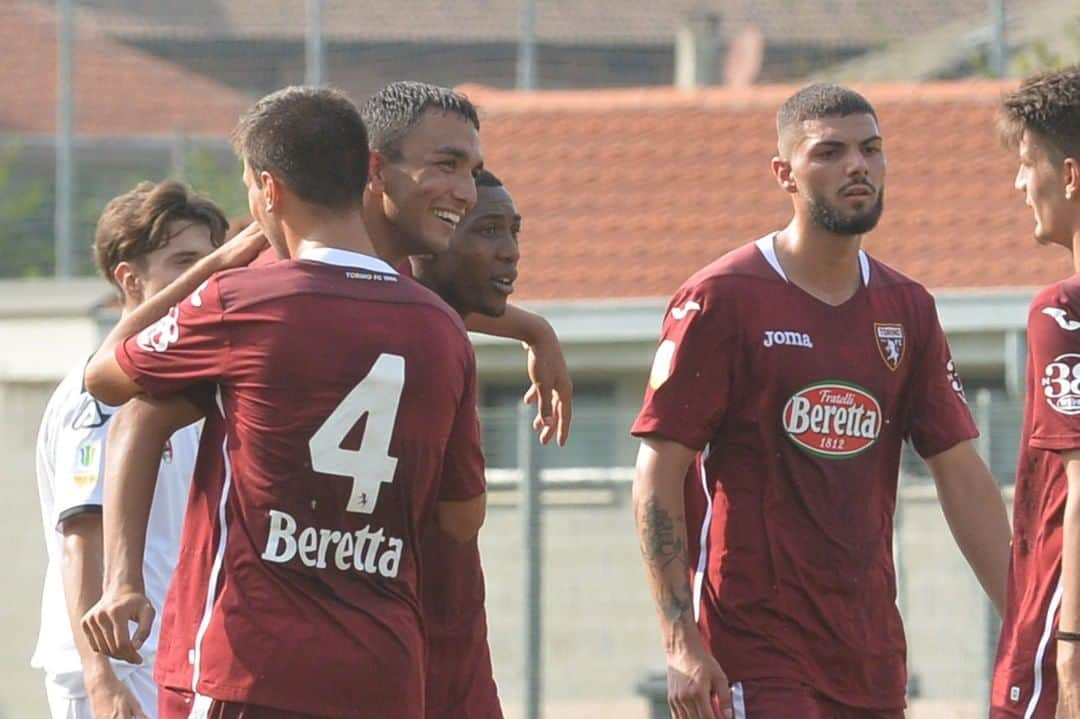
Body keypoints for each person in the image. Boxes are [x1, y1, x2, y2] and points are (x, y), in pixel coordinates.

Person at [80, 86, 487, 719]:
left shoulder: (246, 302)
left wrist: (220, 259)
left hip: (255, 664)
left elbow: (106, 375)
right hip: (386, 672)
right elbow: (461, 518)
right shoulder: (441, 329)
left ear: (269, 190)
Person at [630, 83, 1012, 719]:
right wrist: (680, 642)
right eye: (829, 152)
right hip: (756, 651)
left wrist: (1027, 622)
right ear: (784, 173)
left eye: (871, 149)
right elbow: (658, 470)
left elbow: (962, 473)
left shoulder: (906, 308)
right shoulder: (723, 299)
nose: (857, 166)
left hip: (870, 654)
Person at [31, 180, 225, 719]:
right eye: (183, 262)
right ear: (129, 278)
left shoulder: (191, 392)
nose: (202, 279)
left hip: (178, 659)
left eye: (212, 263)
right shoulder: (97, 397)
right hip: (118, 673)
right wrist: (101, 681)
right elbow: (79, 541)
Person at [360, 80, 572, 447]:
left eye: (472, 174)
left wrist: (535, 330)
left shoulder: (411, 299)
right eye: (446, 165)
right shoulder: (286, 289)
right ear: (377, 171)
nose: (467, 194)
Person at [410, 169, 520, 719]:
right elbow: (461, 516)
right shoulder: (412, 336)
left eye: (514, 232)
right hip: (384, 643)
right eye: (488, 231)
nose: (509, 252)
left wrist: (537, 331)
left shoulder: (444, 328)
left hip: (457, 648)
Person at [990, 65, 1080, 719]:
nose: (1021, 183)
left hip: (1059, 620)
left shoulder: (1063, 312)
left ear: (1071, 175)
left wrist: (1071, 648)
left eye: (1027, 163)